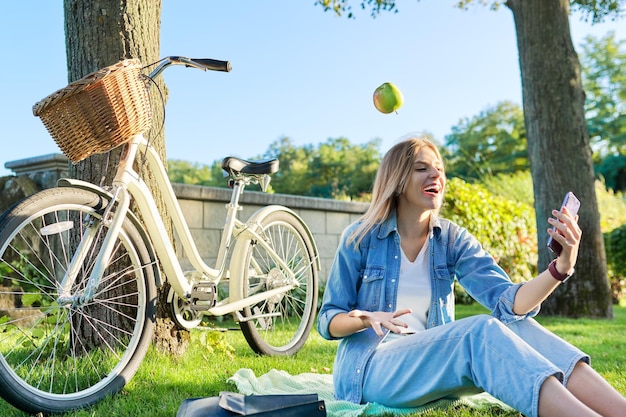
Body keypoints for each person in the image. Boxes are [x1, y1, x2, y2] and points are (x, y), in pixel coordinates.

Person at [317, 135, 626, 417]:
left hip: (431, 363)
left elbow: (510, 303)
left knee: (518, 326)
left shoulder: (451, 238)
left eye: (438, 168)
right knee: (478, 332)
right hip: (373, 368)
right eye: (421, 168)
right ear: (397, 180)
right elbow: (328, 320)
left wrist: (561, 266)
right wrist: (366, 318)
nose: (435, 175)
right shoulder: (359, 237)